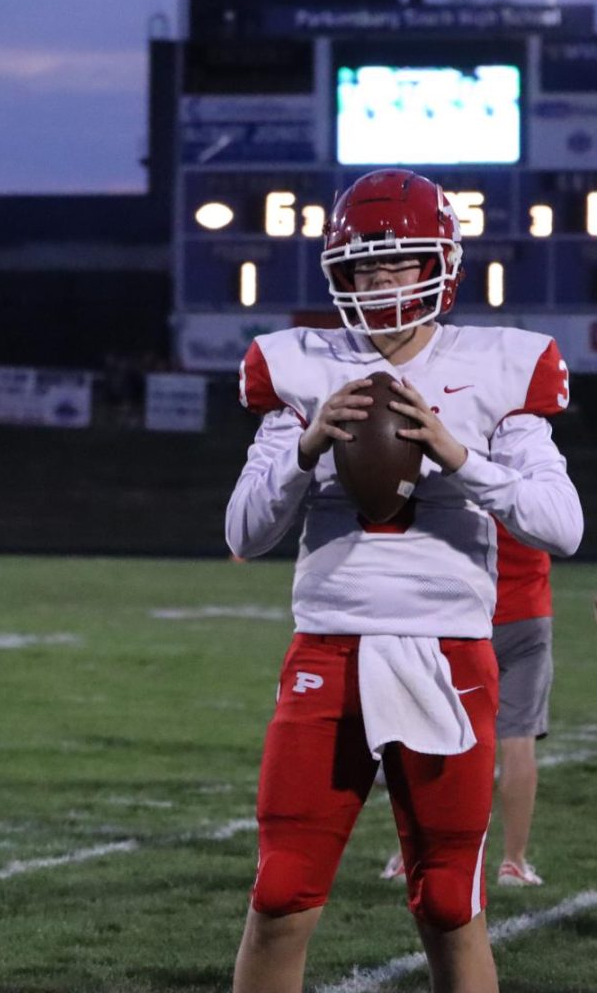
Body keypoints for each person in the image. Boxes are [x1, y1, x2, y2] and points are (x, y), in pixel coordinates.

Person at [226, 169, 582, 993]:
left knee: (449, 900)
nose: (380, 282)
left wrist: (456, 457)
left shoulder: (502, 364)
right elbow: (244, 530)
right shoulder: (299, 365)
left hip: (450, 651)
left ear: (441, 267)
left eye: (399, 264)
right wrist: (306, 447)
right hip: (329, 647)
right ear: (337, 274)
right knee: (279, 890)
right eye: (363, 266)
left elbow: (560, 527)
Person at [381, 526, 555, 888]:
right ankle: (513, 862)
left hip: (463, 614)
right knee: (518, 740)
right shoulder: (533, 470)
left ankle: (410, 855)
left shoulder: (460, 468)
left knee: (432, 735)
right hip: (526, 613)